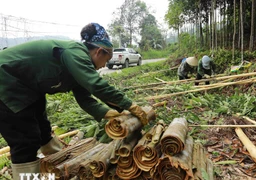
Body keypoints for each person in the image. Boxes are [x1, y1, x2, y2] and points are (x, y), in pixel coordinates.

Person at [0, 22, 149, 180]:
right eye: (107, 59)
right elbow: (96, 85)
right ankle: (27, 177)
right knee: (26, 139)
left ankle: (58, 167)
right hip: (6, 81)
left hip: (27, 87)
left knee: (43, 129)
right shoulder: (76, 53)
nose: (105, 65)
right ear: (99, 51)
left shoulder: (79, 64)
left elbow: (85, 100)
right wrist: (131, 105)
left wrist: (110, 114)